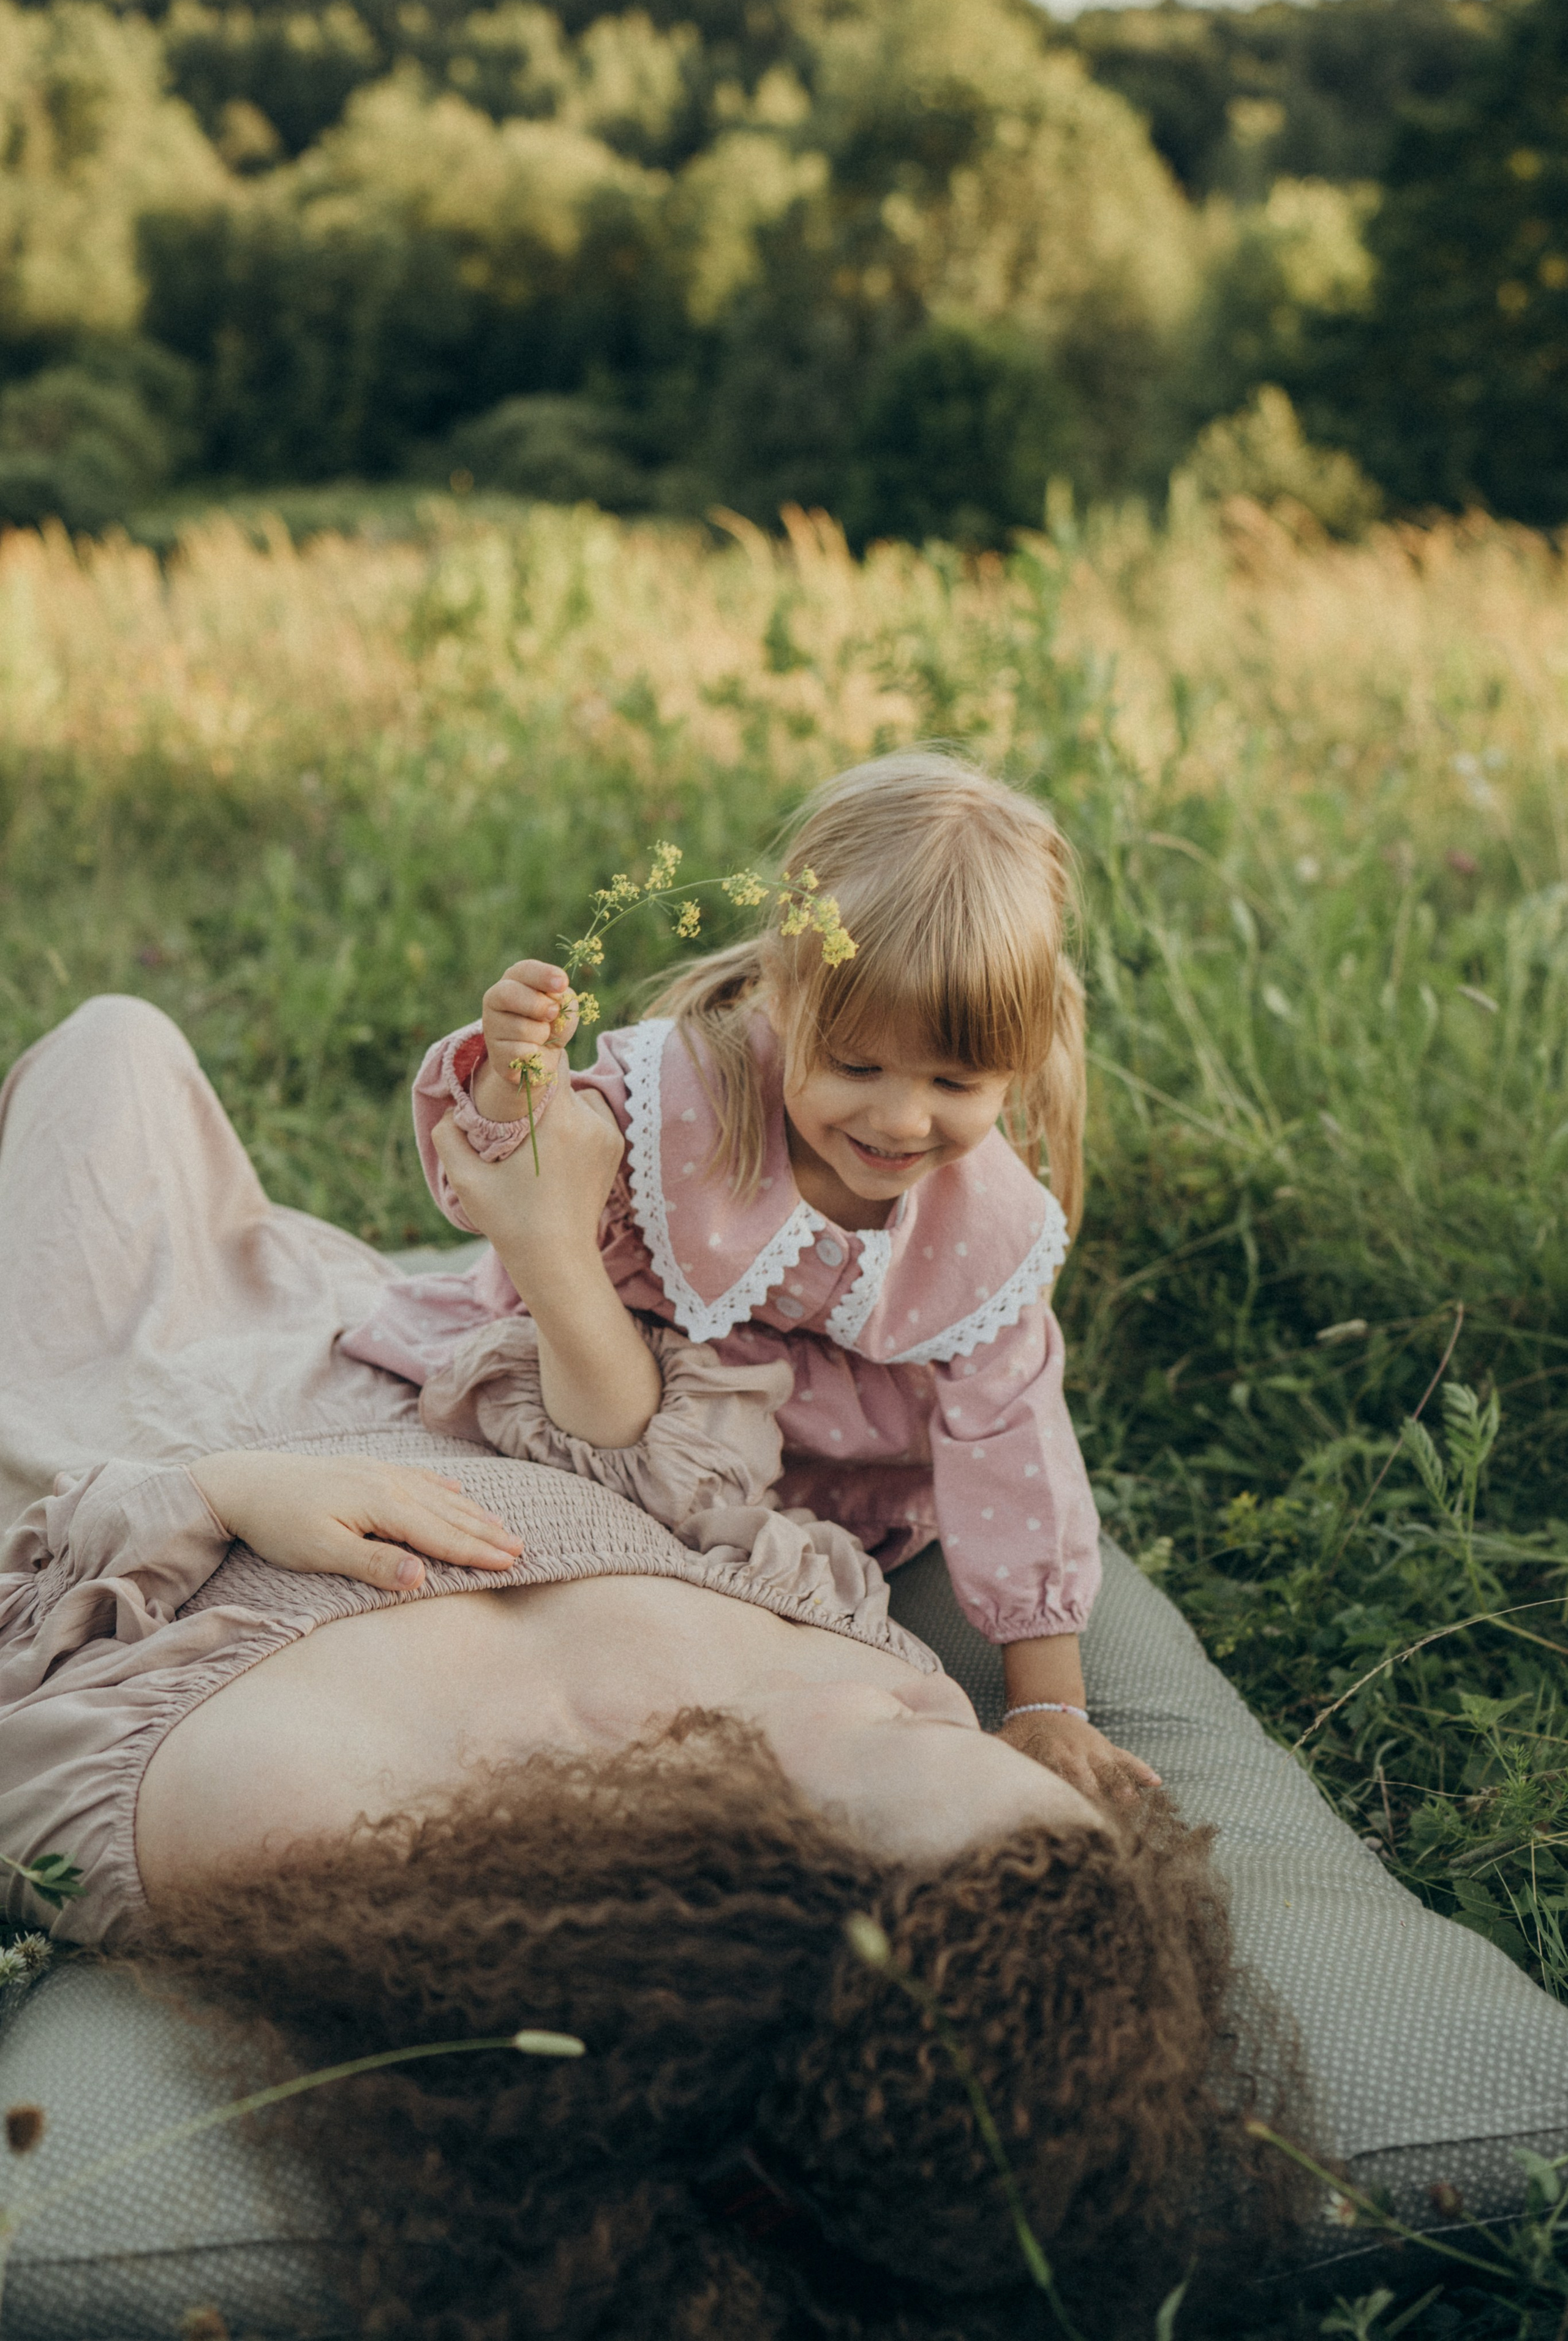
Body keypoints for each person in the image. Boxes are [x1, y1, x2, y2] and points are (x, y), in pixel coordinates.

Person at [0, 990, 1293, 2341]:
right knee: (125, 1046)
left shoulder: (332, 1825)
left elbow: (29, 1681)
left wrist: (218, 1491)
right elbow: (671, 1466)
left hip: (113, 1436)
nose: (931, 1694)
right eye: (970, 1730)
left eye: (918, 1747)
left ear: (738, 1900)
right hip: (401, 1350)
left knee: (110, 1053)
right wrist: (554, 1250)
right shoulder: (837, 1667)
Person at [342, 752, 1158, 1801]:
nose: (902, 1120)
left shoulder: (983, 1232)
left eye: (956, 1082)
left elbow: (1016, 1446)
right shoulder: (689, 1092)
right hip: (611, 1410)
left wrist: (1047, 1704)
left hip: (808, 1484)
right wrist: (513, 1076)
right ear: (782, 994)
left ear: (1022, 1059)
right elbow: (520, 1180)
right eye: (858, 1066)